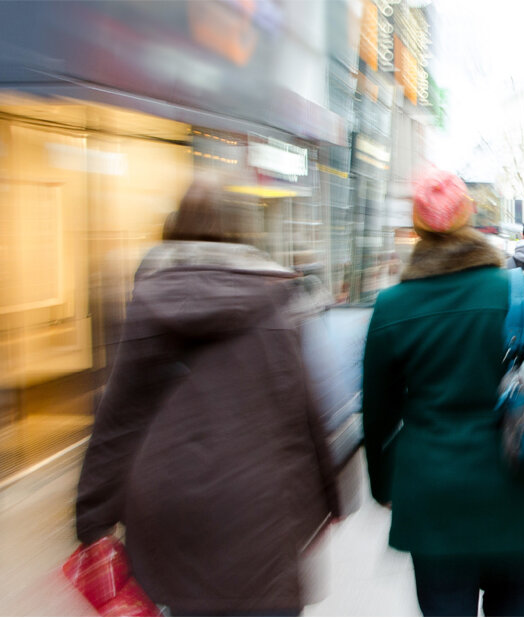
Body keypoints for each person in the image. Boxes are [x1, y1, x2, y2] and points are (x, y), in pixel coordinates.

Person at [75, 180, 342, 617]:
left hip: (167, 503)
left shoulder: (147, 299)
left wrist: (92, 518)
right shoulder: (278, 299)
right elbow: (303, 409)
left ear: (173, 229)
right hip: (260, 501)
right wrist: (329, 498)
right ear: (245, 234)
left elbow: (119, 417)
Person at [361, 169, 524, 617]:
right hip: (513, 498)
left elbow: (377, 415)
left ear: (418, 228)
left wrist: (382, 485)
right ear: (469, 219)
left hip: (433, 504)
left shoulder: (392, 307)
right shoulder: (516, 293)